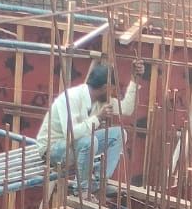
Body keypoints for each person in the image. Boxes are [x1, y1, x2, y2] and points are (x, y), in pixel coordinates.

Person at [32, 61, 141, 196]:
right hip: (53, 149)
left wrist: (134, 80)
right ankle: (82, 189)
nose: (113, 94)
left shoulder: (100, 100)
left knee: (119, 134)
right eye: (112, 89)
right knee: (90, 141)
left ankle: (99, 182)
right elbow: (70, 133)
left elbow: (126, 109)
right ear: (105, 87)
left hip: (78, 146)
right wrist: (98, 118)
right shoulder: (71, 97)